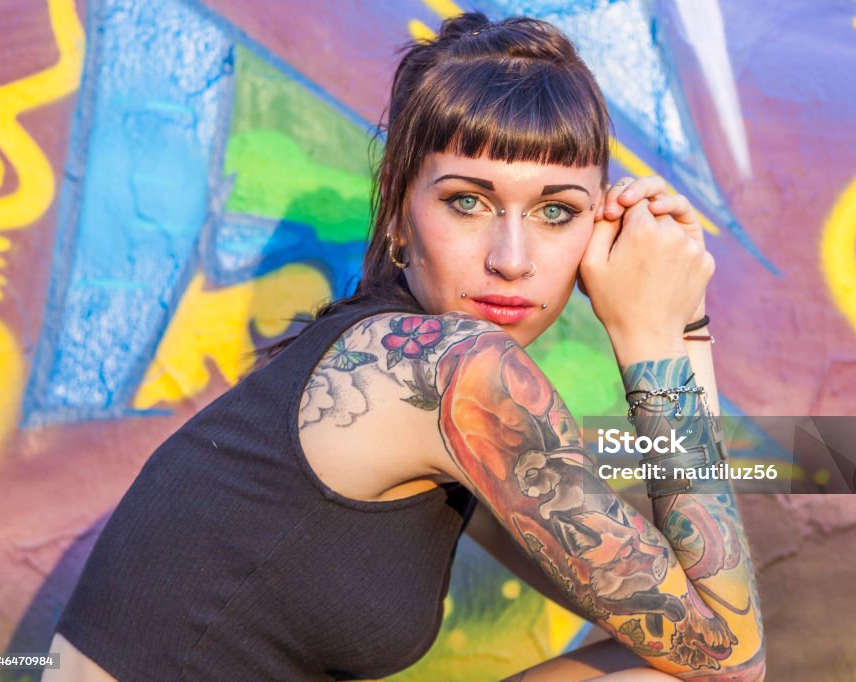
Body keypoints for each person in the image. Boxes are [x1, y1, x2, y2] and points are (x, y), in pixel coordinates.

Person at [44, 12, 764, 682]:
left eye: (556, 211)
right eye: (466, 201)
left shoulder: (412, 372)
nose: (511, 257)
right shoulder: (452, 373)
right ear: (397, 212)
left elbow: (693, 607)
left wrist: (682, 328)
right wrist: (650, 337)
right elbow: (729, 656)